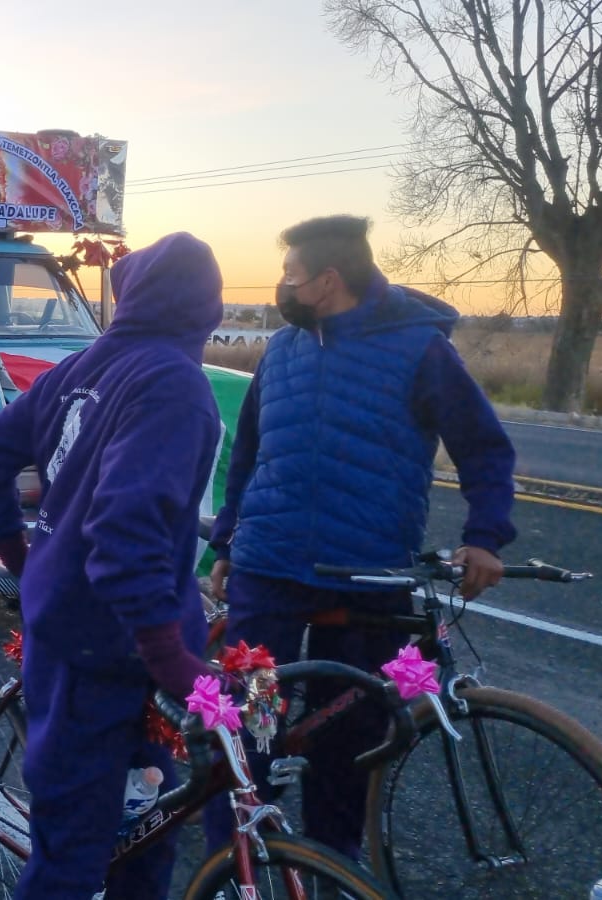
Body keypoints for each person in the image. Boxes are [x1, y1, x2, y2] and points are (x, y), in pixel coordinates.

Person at [206, 215, 516, 862]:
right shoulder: (282, 349)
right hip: (269, 568)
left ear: (327, 280)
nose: (281, 288)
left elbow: (483, 447)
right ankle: (233, 862)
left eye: (289, 276)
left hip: (368, 575)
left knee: (347, 737)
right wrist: (229, 542)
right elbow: (250, 455)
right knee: (248, 725)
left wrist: (485, 536)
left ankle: (331, 865)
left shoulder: (421, 349)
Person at [0, 233, 223, 898]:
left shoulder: (78, 367)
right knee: (75, 858)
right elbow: (124, 529)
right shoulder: (176, 384)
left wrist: (22, 555)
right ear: (207, 310)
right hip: (112, 646)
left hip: (78, 626)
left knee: (144, 826)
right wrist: (169, 653)